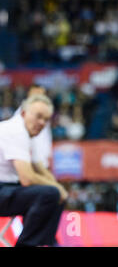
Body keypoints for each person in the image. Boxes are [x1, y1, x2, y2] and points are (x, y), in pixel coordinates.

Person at [0, 95, 68, 246]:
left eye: (46, 119)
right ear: (23, 113)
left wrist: (60, 189)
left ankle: (48, 242)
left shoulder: (28, 133)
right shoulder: (15, 131)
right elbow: (27, 178)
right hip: (3, 188)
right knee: (50, 193)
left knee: (57, 196)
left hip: (7, 188)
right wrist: (56, 188)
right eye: (38, 117)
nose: (42, 123)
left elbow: (39, 168)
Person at [14, 85, 53, 182]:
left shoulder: (45, 114)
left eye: (42, 94)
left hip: (43, 161)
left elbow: (45, 139)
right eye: (36, 93)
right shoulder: (21, 114)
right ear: (29, 94)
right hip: (31, 163)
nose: (40, 97)